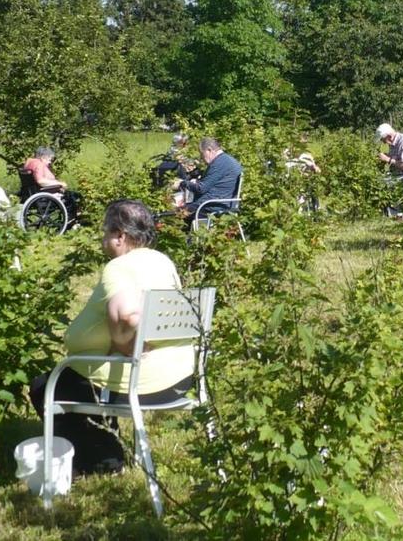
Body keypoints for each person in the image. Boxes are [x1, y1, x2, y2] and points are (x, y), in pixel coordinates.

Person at [28, 200, 191, 475]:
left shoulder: (120, 267)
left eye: (106, 232)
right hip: (178, 377)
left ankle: (102, 460)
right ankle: (107, 447)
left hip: (142, 381)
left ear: (120, 235)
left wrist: (124, 344)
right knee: (78, 380)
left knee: (45, 387)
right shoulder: (162, 261)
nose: (104, 239)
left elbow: (127, 314)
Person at [177, 137, 243, 222]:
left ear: (209, 150)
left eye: (202, 154)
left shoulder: (219, 163)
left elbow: (201, 189)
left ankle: (188, 234)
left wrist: (182, 183)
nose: (202, 158)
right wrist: (197, 182)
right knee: (181, 210)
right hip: (219, 203)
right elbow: (213, 183)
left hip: (211, 206)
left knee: (172, 216)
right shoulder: (226, 160)